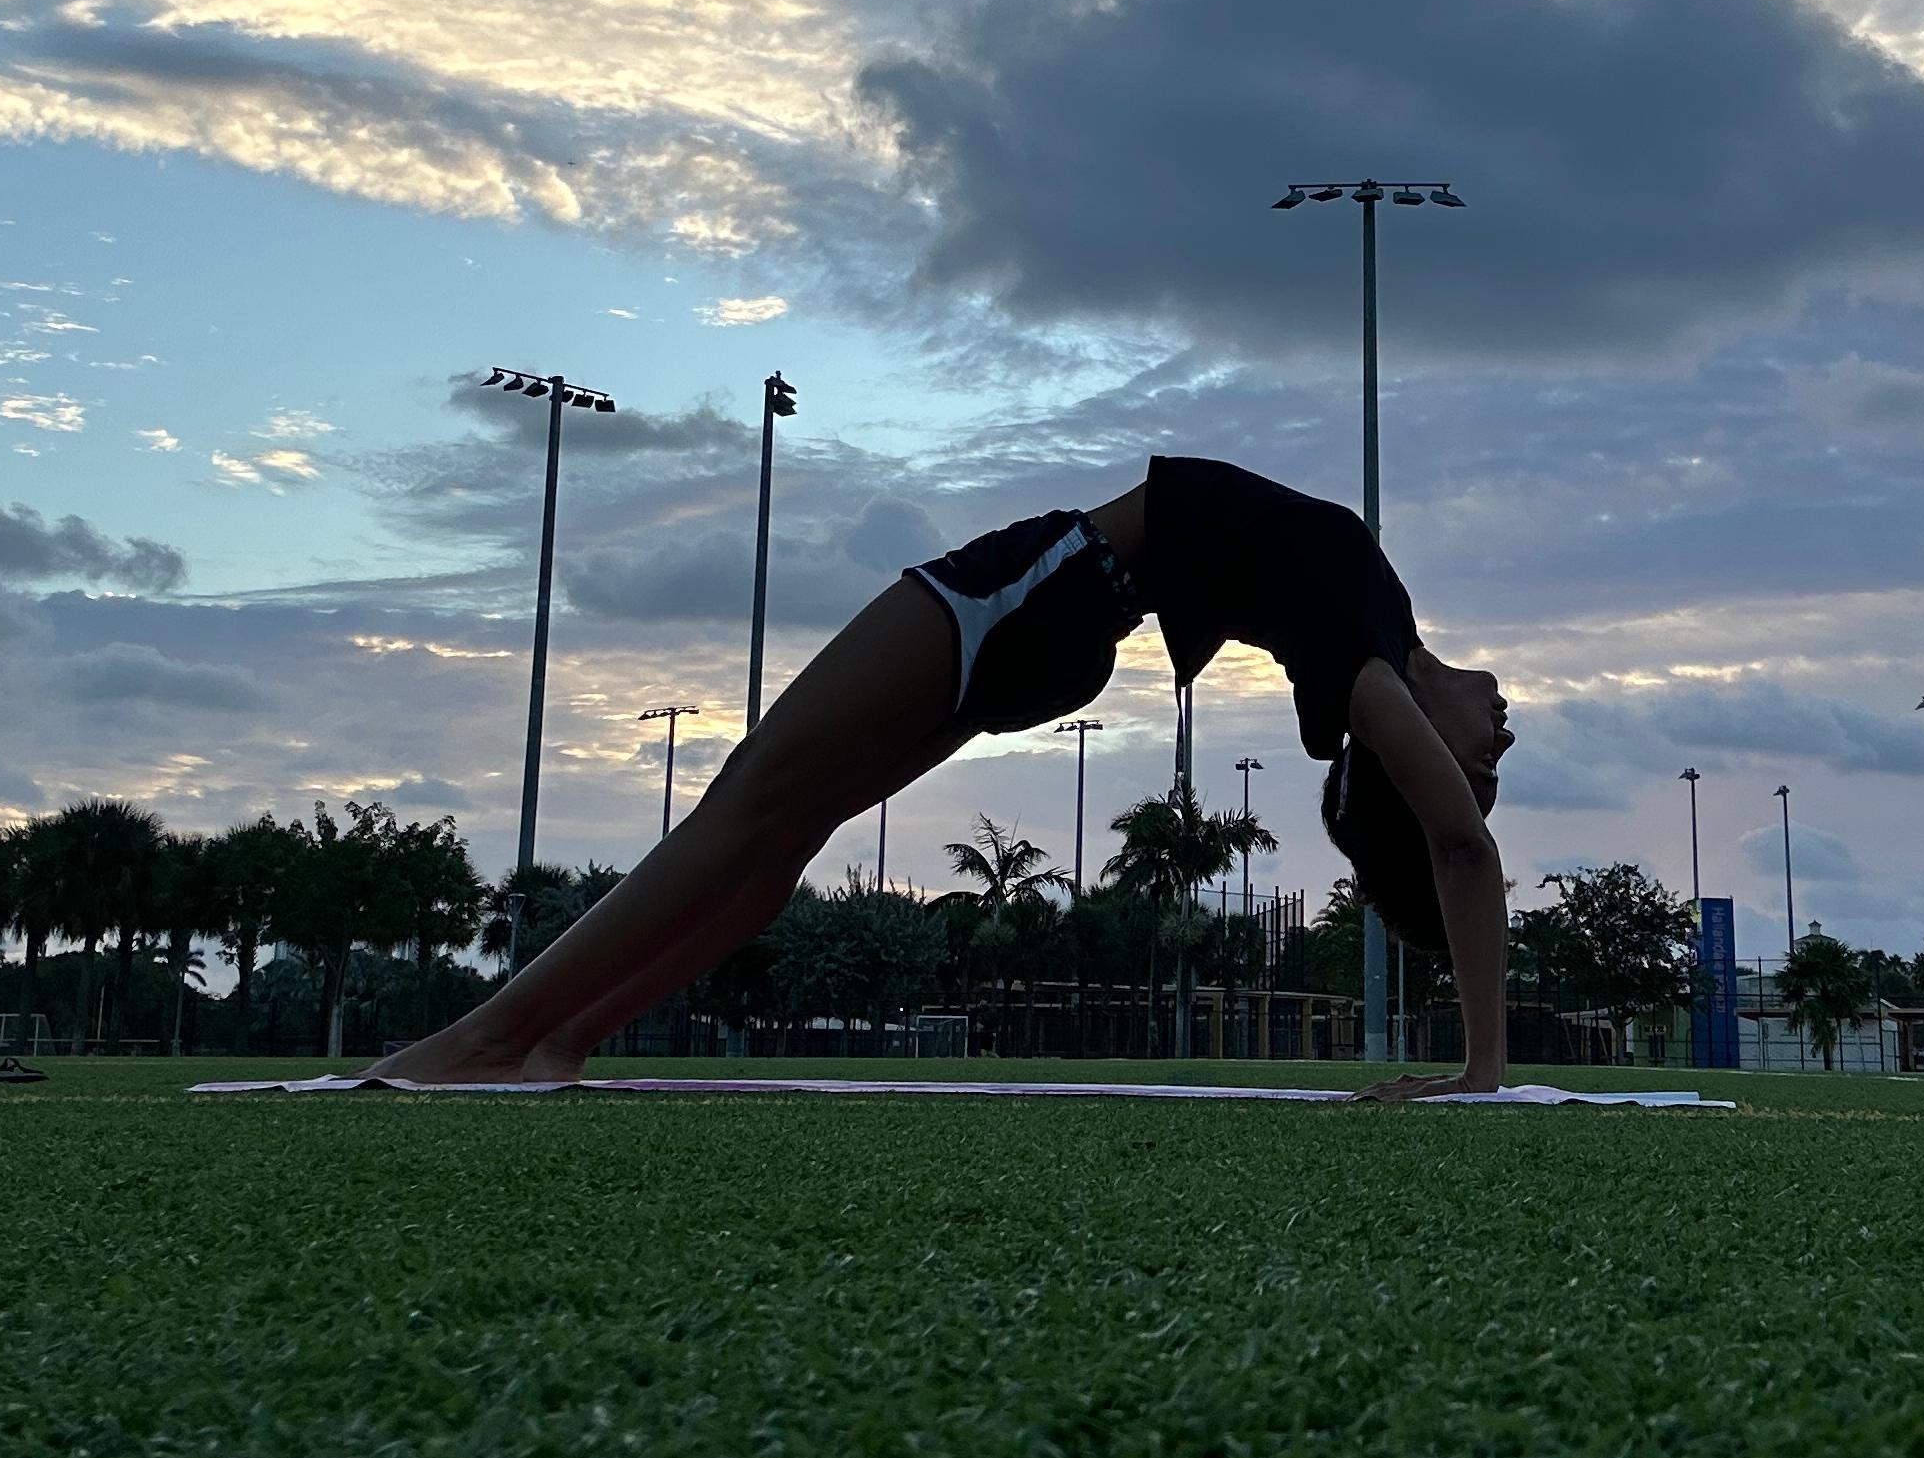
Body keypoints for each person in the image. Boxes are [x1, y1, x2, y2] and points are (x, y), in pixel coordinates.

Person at [370, 456, 1517, 1093]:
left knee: (748, 802)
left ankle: (486, 1038)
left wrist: (1482, 1072)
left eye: (1482, 767)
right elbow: (1449, 828)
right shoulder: (1378, 628)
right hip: (1062, 633)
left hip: (1039, 593)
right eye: (1490, 763)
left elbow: (1458, 847)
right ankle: (563, 1042)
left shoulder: (1364, 657)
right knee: (780, 834)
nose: (1500, 739)